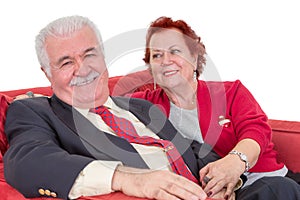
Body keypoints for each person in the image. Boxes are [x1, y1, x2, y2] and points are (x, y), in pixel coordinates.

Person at [2, 15, 225, 200]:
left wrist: (224, 179)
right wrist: (127, 178)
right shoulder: (34, 111)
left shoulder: (140, 106)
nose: (83, 70)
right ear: (47, 73)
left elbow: (190, 147)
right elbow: (27, 160)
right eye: (66, 62)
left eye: (90, 54)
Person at [130, 16, 300, 199]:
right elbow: (103, 108)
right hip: (210, 194)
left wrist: (235, 162)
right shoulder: (142, 106)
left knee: (278, 189)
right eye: (156, 55)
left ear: (194, 58)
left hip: (265, 182)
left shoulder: (230, 92)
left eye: (175, 51)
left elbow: (256, 131)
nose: (165, 60)